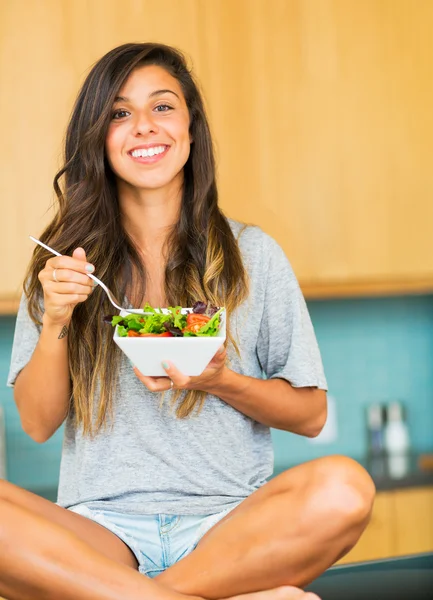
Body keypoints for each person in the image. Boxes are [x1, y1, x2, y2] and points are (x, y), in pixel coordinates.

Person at [3, 42, 375, 600]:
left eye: (163, 107)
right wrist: (57, 317)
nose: (144, 128)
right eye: (120, 114)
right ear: (98, 139)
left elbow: (312, 414)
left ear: (191, 127)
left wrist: (217, 380)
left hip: (230, 527)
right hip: (99, 532)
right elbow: (36, 422)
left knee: (345, 486)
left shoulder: (255, 255)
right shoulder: (64, 267)